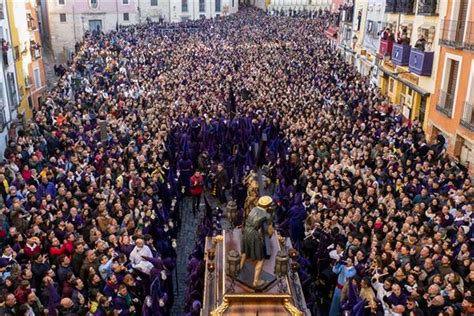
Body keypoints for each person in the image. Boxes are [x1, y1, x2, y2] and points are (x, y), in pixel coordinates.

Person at [240, 196, 274, 288]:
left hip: (246, 231)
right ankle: (256, 281)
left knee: (245, 250)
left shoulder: (254, 209)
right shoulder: (267, 215)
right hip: (254, 235)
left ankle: (240, 267)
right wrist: (269, 236)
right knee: (261, 258)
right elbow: (270, 231)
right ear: (268, 205)